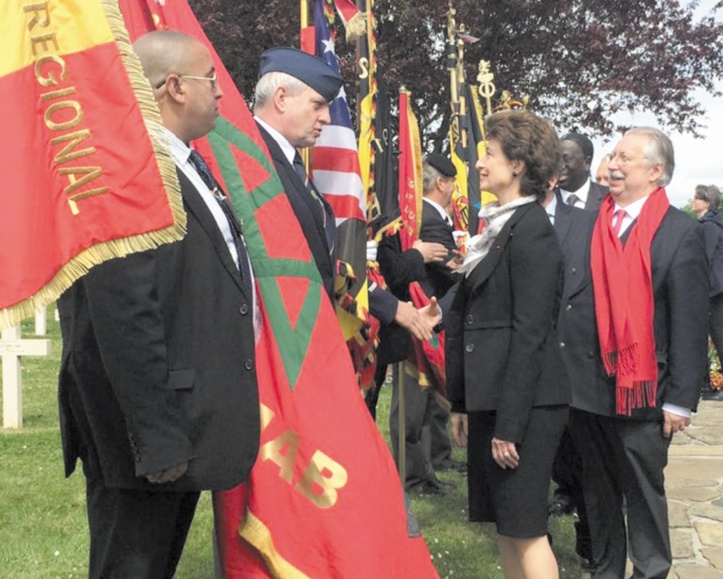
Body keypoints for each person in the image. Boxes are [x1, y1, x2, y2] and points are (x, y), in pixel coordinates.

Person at [56, 31, 260, 579]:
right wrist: (158, 438)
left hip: (178, 423)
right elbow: (122, 315)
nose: (222, 92)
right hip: (145, 435)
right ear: (174, 87)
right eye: (211, 80)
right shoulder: (126, 170)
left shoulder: (179, 161)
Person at [570, 127, 708, 578]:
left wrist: (680, 399)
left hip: (648, 392)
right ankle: (605, 571)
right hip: (590, 390)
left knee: (644, 495)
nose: (613, 163)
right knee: (599, 494)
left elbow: (689, 321)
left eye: (625, 158)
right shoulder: (589, 223)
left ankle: (651, 572)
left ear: (655, 172)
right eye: (612, 155)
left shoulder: (680, 232)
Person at [447, 109, 569, 578]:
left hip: (528, 407)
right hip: (497, 402)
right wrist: (463, 403)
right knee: (506, 525)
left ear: (518, 164)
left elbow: (531, 333)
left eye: (489, 154)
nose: (479, 164)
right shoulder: (501, 226)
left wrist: (509, 427)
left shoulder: (532, 229)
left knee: (525, 526)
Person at [252, 46, 436, 342]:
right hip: (276, 342)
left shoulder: (287, 162)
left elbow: (324, 260)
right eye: (317, 105)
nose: (326, 117)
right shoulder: (250, 162)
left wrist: (395, 308)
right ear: (282, 98)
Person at [377, 154, 463, 492]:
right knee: (412, 407)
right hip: (415, 321)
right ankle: (413, 476)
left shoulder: (424, 217)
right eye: (454, 182)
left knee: (428, 404)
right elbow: (399, 269)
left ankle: (428, 467)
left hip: (427, 319)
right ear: (442, 182)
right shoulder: (425, 219)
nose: (456, 189)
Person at [541, 176, 597, 567]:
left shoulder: (584, 222)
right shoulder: (507, 219)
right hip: (537, 361)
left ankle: (593, 539)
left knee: (587, 462)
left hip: (581, 364)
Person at [692, 184, 723, 401]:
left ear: (706, 202)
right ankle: (704, 385)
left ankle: (706, 385)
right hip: (714, 288)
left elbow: (704, 258)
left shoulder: (709, 227)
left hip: (712, 290)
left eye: (696, 197)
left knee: (717, 335)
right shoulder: (710, 225)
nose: (692, 200)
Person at [558, 132, 607, 211]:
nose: (560, 166)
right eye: (557, 159)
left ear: (587, 163)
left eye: (567, 159)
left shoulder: (609, 199)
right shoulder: (544, 200)